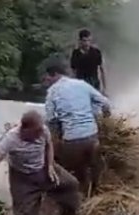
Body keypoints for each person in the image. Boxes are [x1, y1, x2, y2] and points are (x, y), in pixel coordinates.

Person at [0, 111, 80, 215]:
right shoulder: (11, 138)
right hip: (22, 179)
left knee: (71, 184)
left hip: (44, 170)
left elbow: (49, 145)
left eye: (41, 130)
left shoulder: (43, 130)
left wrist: (50, 165)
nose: (40, 134)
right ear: (25, 129)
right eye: (36, 132)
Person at [44, 59, 111, 195]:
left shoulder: (52, 92)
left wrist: (55, 141)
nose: (47, 80)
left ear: (55, 74)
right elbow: (105, 102)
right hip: (92, 136)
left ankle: (80, 198)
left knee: (75, 173)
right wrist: (106, 117)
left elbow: (51, 120)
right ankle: (97, 192)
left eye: (49, 77)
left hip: (72, 141)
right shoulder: (81, 84)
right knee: (96, 166)